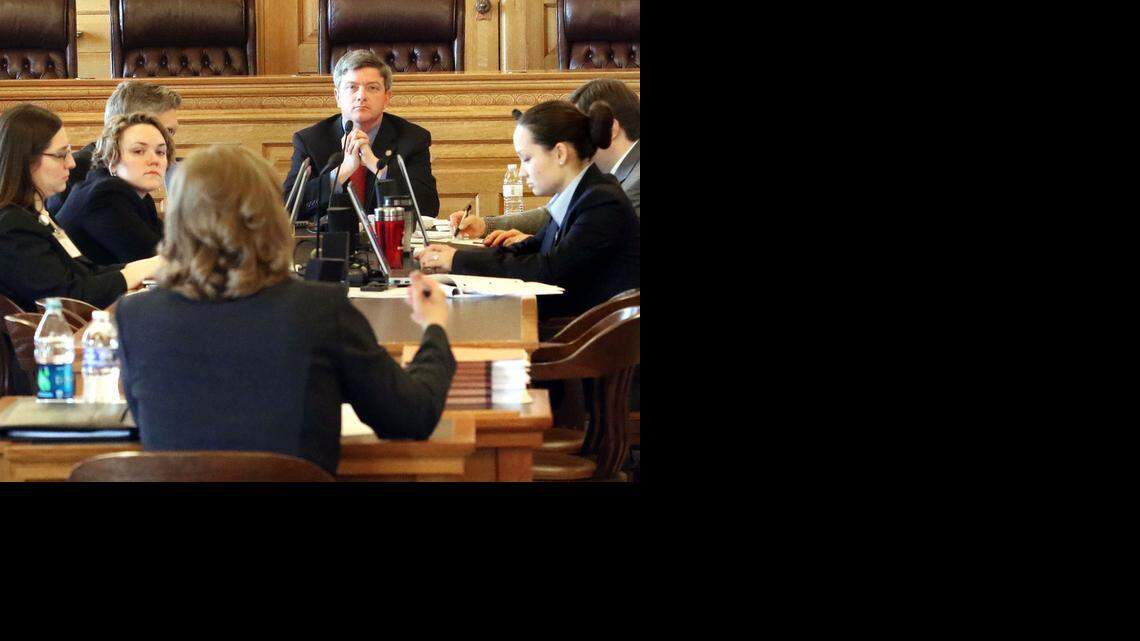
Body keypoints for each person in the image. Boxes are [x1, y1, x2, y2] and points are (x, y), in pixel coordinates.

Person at [115, 145, 455, 475]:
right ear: (270, 217)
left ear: (177, 220)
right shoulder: (320, 310)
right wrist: (435, 328)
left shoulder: (136, 317)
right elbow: (410, 417)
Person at [419, 100, 640, 319]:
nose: (522, 172)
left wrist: (457, 260)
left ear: (560, 153)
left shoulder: (601, 201)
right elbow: (528, 249)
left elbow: (550, 269)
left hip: (582, 334)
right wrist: (455, 256)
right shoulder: (580, 194)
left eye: (526, 159)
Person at [0, 104, 163, 312]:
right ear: (26, 159)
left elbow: (86, 273)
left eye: (69, 152)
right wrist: (145, 268)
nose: (72, 163)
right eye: (61, 155)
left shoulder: (36, 215)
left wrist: (148, 266)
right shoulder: (12, 226)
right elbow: (66, 297)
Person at [450, 78, 641, 246]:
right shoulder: (605, 175)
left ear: (611, 129)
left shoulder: (636, 182)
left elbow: (591, 241)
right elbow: (554, 214)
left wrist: (536, 244)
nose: (572, 141)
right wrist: (486, 225)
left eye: (581, 130)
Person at [282, 50, 440, 223]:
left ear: (386, 98)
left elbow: (428, 207)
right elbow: (287, 208)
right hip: (331, 238)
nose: (361, 96)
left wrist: (377, 167)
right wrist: (342, 172)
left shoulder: (413, 139)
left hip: (389, 238)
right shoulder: (310, 141)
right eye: (352, 87)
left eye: (372, 88)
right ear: (337, 97)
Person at [45, 80, 181, 216]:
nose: (169, 142)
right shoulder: (79, 169)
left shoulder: (141, 193)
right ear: (132, 122)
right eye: (167, 131)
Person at [55, 113, 174, 266]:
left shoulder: (141, 198)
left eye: (160, 152)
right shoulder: (105, 195)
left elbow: (170, 247)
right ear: (111, 159)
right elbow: (155, 258)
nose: (154, 160)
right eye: (138, 151)